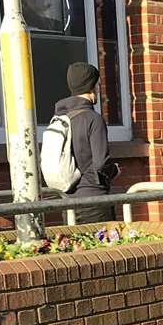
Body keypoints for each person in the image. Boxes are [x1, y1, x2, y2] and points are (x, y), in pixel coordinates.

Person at [55, 62, 118, 225]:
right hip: (95, 201)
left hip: (68, 201)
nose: (99, 88)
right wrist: (115, 170)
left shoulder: (61, 118)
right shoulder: (93, 119)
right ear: (91, 86)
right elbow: (101, 163)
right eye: (98, 84)